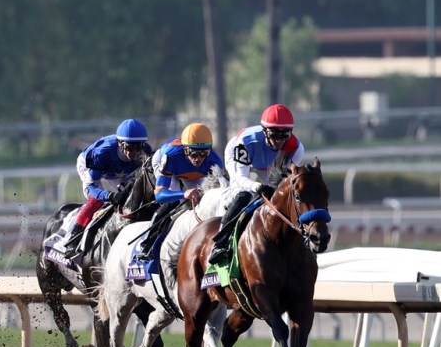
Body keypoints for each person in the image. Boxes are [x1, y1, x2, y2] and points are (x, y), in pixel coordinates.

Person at [207, 104, 305, 264]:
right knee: (242, 195)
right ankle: (220, 243)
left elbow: (281, 182)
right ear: (264, 130)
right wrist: (257, 186)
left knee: (279, 197)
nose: (279, 140)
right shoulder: (246, 141)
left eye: (284, 134)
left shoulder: (296, 149)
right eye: (274, 134)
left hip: (268, 165)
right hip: (242, 157)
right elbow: (240, 179)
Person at [60, 118, 151, 255]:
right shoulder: (103, 153)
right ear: (120, 144)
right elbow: (91, 188)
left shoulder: (145, 152)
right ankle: (72, 240)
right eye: (128, 147)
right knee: (96, 200)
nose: (133, 153)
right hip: (93, 167)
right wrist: (109, 196)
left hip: (119, 171)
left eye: (137, 147)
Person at [138, 122, 225, 255]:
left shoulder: (214, 161)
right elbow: (160, 194)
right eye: (194, 153)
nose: (198, 159)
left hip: (193, 173)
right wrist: (183, 194)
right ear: (185, 149)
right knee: (174, 203)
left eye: (203, 153)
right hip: (170, 166)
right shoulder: (171, 156)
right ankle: (147, 245)